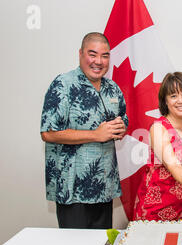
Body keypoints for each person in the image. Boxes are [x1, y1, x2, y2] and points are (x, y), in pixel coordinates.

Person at [40, 32, 128, 229]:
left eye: (105, 56)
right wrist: (96, 135)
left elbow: (123, 118)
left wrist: (121, 127)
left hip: (104, 186)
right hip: (73, 190)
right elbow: (48, 132)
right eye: (93, 54)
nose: (99, 61)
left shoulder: (112, 88)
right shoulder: (63, 84)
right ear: (80, 54)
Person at [133, 72, 182, 221]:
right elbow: (174, 166)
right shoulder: (159, 128)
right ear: (165, 101)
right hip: (155, 208)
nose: (180, 100)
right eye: (173, 96)